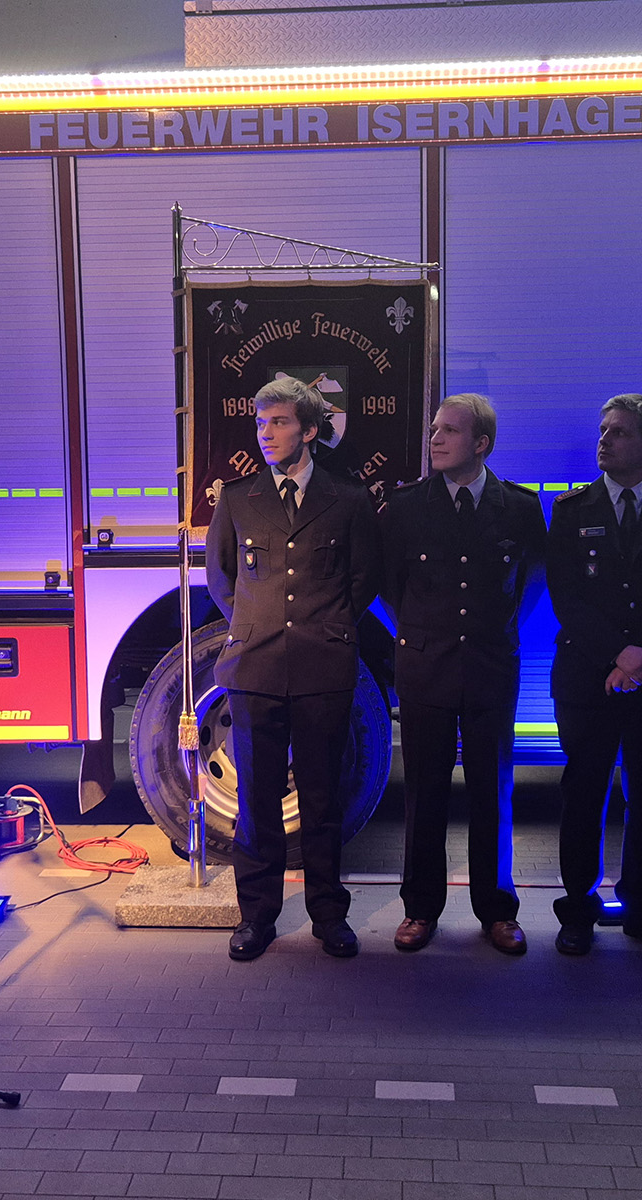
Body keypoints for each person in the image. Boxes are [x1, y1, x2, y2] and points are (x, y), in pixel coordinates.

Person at [207, 376, 381, 962]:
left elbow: (362, 580)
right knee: (257, 802)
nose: (266, 433)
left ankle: (329, 915)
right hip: (255, 668)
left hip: (322, 667)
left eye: (278, 422)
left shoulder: (348, 498)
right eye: (260, 423)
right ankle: (256, 917)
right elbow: (222, 579)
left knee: (322, 799)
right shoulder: (238, 498)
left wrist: (321, 626)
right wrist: (257, 626)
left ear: (309, 431)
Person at [381, 394, 547, 955]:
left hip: (489, 665)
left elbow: (533, 578)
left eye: (450, 431)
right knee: (423, 794)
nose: (435, 439)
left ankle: (497, 911)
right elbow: (387, 586)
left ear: (482, 443)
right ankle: (419, 909)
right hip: (425, 667)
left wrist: (500, 629)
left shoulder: (519, 507)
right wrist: (420, 631)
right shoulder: (405, 507)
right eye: (434, 429)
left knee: (492, 794)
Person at [547, 394, 642, 957]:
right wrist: (617, 655)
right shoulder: (571, 509)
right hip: (588, 677)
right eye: (603, 429)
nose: (604, 440)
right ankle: (578, 911)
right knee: (583, 794)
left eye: (619, 432)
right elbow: (567, 595)